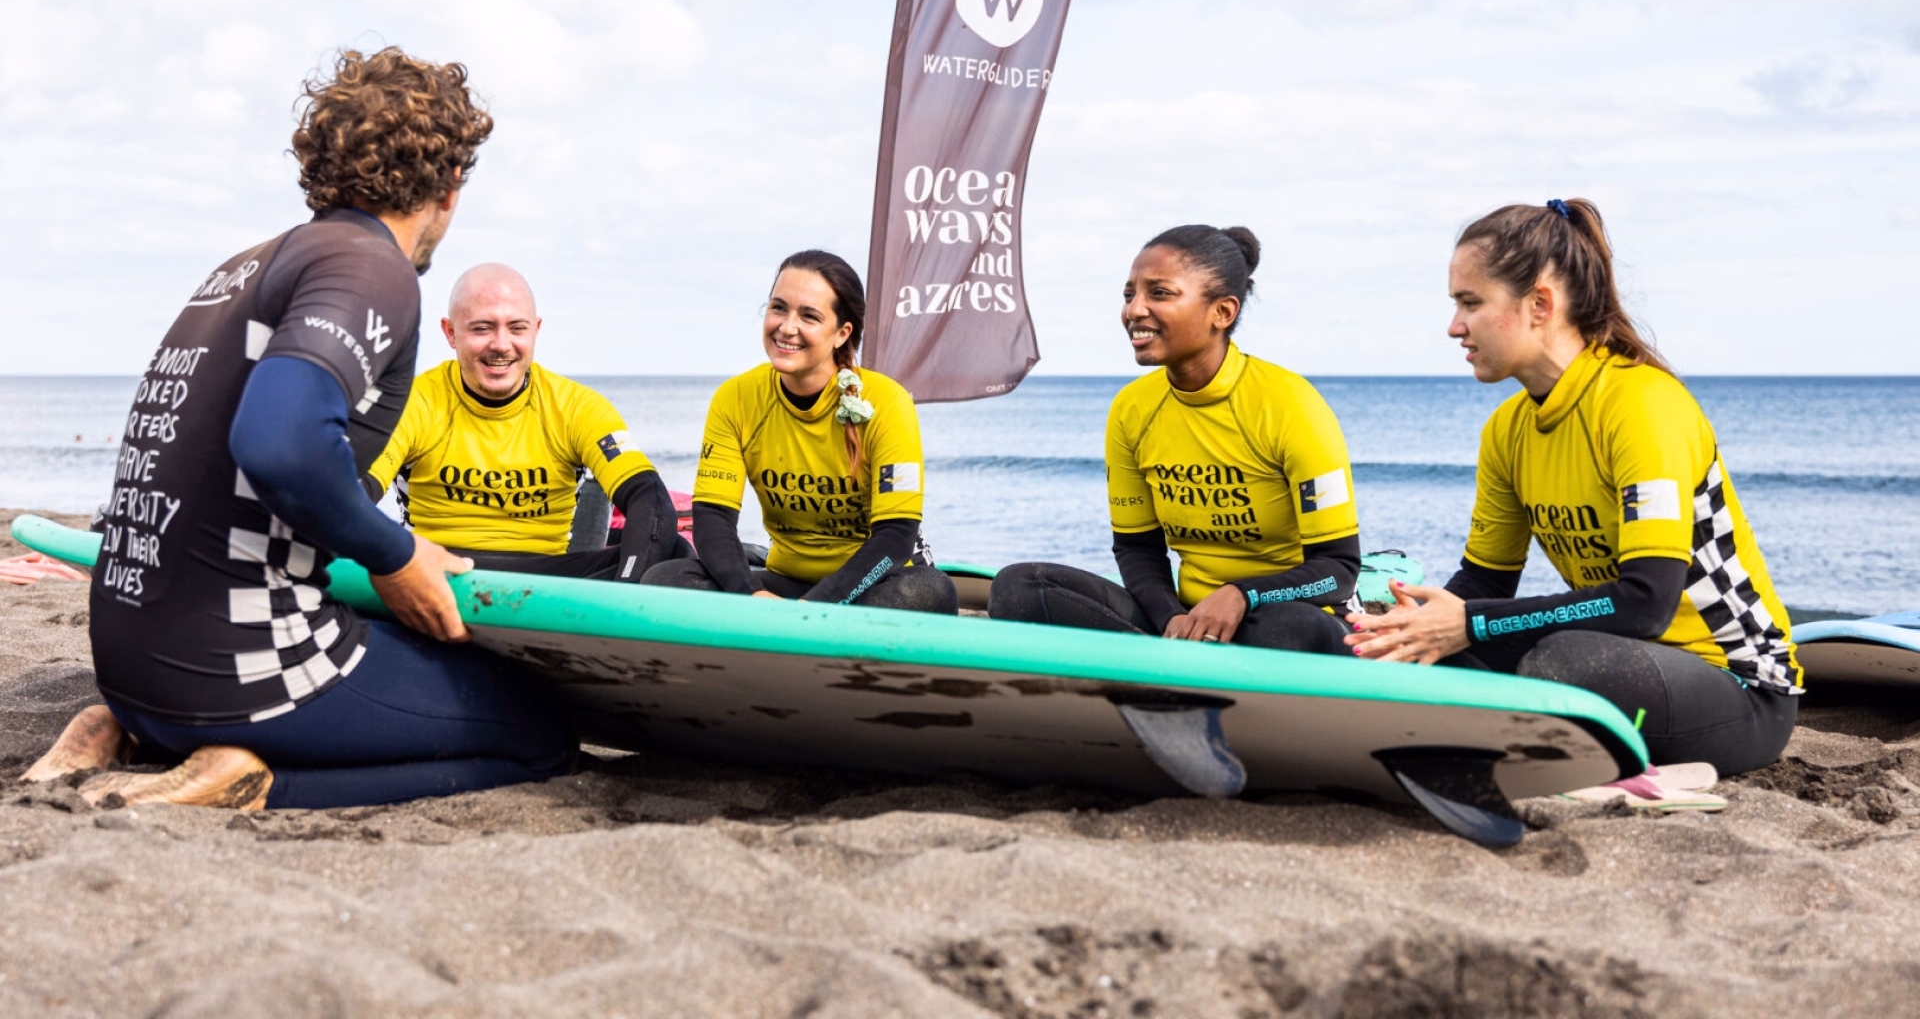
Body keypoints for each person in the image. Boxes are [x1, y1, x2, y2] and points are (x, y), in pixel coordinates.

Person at [20, 47, 574, 810]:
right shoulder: (369, 267)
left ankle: (124, 731)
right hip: (238, 673)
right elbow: (280, 443)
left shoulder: (244, 266)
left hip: (128, 667)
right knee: (542, 730)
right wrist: (394, 554)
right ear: (450, 184)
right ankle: (255, 784)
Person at [1345, 198, 1801, 776]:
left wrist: (1470, 623)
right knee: (1418, 651)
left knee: (1559, 659)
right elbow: (1484, 582)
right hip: (1622, 659)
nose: (1455, 326)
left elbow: (1646, 604)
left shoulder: (1643, 407)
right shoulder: (1507, 429)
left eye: (1470, 303)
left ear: (1540, 304)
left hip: (1739, 688)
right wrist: (1407, 627)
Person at [989, 225, 1363, 650]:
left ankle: (1168, 660)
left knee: (1294, 629)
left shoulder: (1291, 405)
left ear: (1222, 312)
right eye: (1129, 295)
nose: (1134, 310)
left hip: (1288, 613)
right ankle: (1179, 654)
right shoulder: (1133, 409)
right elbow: (1137, 550)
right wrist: (1172, 616)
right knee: (1020, 586)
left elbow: (1338, 569)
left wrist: (1242, 595)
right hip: (1184, 615)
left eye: (1160, 293)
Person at [642, 250, 955, 613]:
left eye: (809, 316)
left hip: (872, 586)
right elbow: (713, 520)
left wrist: (811, 608)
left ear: (842, 333)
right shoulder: (736, 399)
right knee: (665, 579)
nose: (787, 327)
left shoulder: (888, 402)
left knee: (929, 591)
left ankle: (787, 628)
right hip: (784, 582)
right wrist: (751, 595)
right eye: (778, 308)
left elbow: (896, 537)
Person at [365, 263, 686, 582]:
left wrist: (627, 588)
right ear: (450, 333)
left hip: (545, 580)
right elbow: (356, 488)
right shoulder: (412, 403)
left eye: (517, 328)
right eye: (482, 329)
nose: (501, 344)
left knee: (675, 552)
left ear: (536, 329)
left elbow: (650, 499)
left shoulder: (577, 407)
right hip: (434, 572)